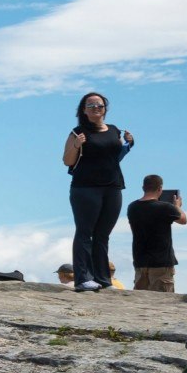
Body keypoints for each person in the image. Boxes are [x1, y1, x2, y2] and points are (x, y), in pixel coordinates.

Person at [61, 91, 134, 291]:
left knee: (103, 234)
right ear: (83, 110)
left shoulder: (113, 130)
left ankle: (103, 279)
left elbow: (114, 157)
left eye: (99, 106)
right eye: (91, 106)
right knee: (85, 232)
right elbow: (67, 160)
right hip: (85, 187)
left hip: (112, 186)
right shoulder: (78, 132)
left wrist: (129, 144)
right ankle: (83, 279)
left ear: (105, 109)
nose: (96, 109)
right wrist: (76, 146)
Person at [125, 177, 187, 293]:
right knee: (163, 300)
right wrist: (177, 206)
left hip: (140, 261)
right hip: (161, 262)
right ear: (160, 189)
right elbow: (183, 220)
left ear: (143, 188)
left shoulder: (132, 207)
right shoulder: (166, 207)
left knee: (140, 300)